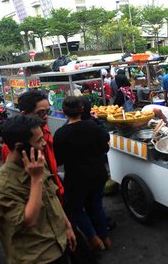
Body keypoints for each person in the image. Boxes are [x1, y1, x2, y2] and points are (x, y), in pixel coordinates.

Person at [0, 116, 76, 263]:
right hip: (37, 257)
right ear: (20, 147)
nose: (44, 143)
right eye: (39, 140)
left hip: (60, 244)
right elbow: (28, 221)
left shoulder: (38, 163)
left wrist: (67, 226)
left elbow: (52, 198)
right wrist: (36, 179)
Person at [54, 96, 111, 251]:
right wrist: (97, 121)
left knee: (76, 209)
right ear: (82, 110)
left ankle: (93, 238)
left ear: (64, 112)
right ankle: (105, 237)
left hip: (76, 178)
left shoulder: (60, 134)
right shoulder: (93, 127)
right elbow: (105, 146)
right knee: (97, 205)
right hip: (98, 174)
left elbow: (57, 160)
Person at [0, 90, 65, 199]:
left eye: (48, 112)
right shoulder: (13, 147)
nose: (45, 117)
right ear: (25, 114)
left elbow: (51, 164)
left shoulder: (44, 129)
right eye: (41, 113)